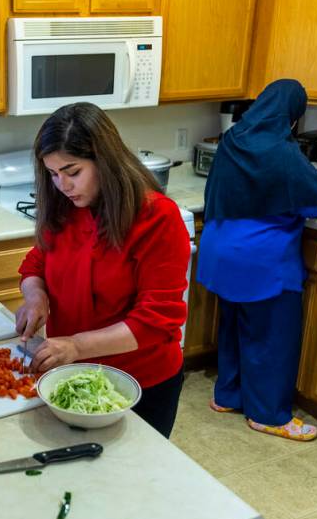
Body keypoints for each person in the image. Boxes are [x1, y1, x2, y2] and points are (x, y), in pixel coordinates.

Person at [15, 103, 191, 438]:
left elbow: (156, 321)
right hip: (73, 374)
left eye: (72, 171)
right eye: (53, 174)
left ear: (104, 161)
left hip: (139, 384)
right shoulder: (66, 209)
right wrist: (35, 297)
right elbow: (36, 263)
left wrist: (77, 346)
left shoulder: (157, 218)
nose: (62, 185)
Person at [198, 79, 317, 441]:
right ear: (291, 116)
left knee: (234, 327)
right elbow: (315, 202)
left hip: (220, 251)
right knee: (271, 337)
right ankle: (268, 414)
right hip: (260, 261)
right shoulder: (284, 152)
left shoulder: (231, 140)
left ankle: (228, 396)